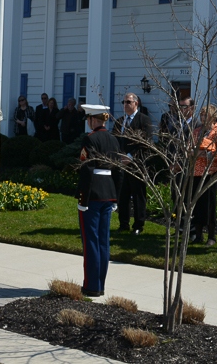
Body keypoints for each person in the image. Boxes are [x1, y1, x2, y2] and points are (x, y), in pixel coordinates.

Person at [76, 104, 120, 297]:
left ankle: (92, 286)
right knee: (103, 241)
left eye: (88, 119)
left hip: (93, 194)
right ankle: (100, 284)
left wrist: (83, 199)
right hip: (108, 192)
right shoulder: (113, 139)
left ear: (93, 119)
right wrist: (116, 196)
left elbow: (87, 170)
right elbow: (118, 170)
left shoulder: (90, 138)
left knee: (91, 241)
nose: (88, 122)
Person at [112, 92, 153, 235]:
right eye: (124, 102)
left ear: (136, 103)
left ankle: (138, 225)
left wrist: (131, 156)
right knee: (122, 196)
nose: (125, 104)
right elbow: (115, 140)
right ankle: (123, 224)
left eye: (128, 102)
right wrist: (119, 156)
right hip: (122, 164)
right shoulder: (120, 121)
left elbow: (146, 142)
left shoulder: (144, 120)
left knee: (138, 196)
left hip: (137, 165)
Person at [191, 105, 217, 246]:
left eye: (206, 115)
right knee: (197, 204)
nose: (203, 117)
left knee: (210, 205)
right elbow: (189, 147)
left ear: (213, 116)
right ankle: (198, 235)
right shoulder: (197, 131)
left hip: (210, 172)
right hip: (196, 172)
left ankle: (212, 236)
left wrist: (205, 154)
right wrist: (192, 152)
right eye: (201, 114)